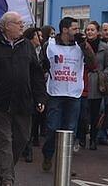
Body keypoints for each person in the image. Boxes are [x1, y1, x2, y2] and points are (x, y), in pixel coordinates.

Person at [0, 12, 47, 186]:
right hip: (0, 102)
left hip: (23, 101)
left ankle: (6, 166)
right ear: (7, 26)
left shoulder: (27, 46)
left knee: (22, 138)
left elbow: (36, 74)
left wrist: (40, 98)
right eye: (19, 23)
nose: (22, 26)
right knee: (4, 139)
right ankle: (7, 179)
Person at [40, 17, 95, 171]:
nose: (77, 32)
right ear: (64, 29)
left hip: (73, 93)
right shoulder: (49, 45)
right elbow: (40, 66)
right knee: (52, 128)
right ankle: (48, 155)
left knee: (70, 130)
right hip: (55, 92)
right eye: (74, 29)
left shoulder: (81, 46)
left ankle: (65, 165)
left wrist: (85, 45)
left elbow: (93, 64)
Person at [76, 21, 108, 150]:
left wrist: (103, 74)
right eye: (88, 30)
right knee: (82, 113)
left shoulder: (104, 47)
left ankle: (93, 139)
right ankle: (81, 138)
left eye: (92, 30)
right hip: (83, 81)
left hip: (98, 83)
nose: (90, 32)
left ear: (98, 32)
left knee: (95, 113)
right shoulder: (81, 46)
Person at [21, 27, 43, 162]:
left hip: (37, 88)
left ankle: (29, 143)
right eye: (37, 35)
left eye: (41, 35)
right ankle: (26, 147)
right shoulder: (25, 50)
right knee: (25, 120)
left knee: (33, 119)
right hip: (25, 88)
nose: (39, 38)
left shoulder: (43, 50)